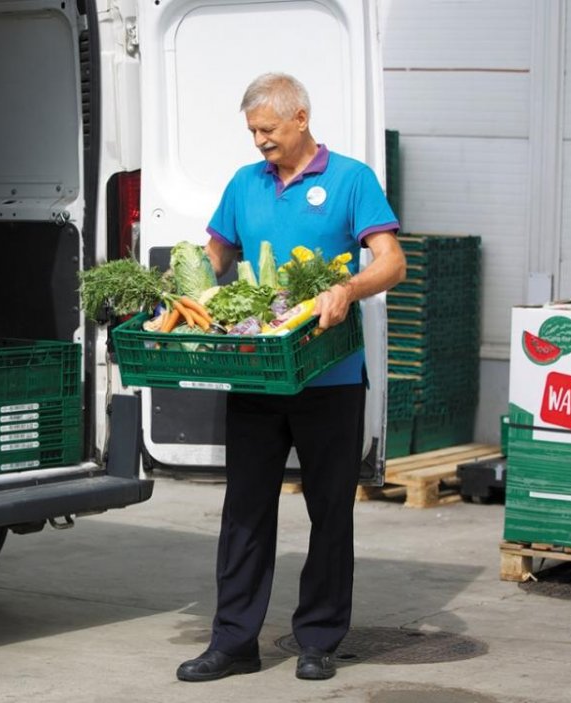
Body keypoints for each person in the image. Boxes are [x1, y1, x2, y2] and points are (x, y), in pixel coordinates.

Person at [176, 73, 405, 683]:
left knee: (330, 509)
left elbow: (392, 261)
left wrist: (347, 289)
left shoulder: (351, 179)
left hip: (329, 377)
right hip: (255, 374)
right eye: (252, 131)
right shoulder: (244, 184)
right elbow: (217, 253)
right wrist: (180, 287)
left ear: (300, 118)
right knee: (245, 510)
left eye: (268, 130)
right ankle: (234, 642)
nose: (259, 142)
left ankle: (319, 638)